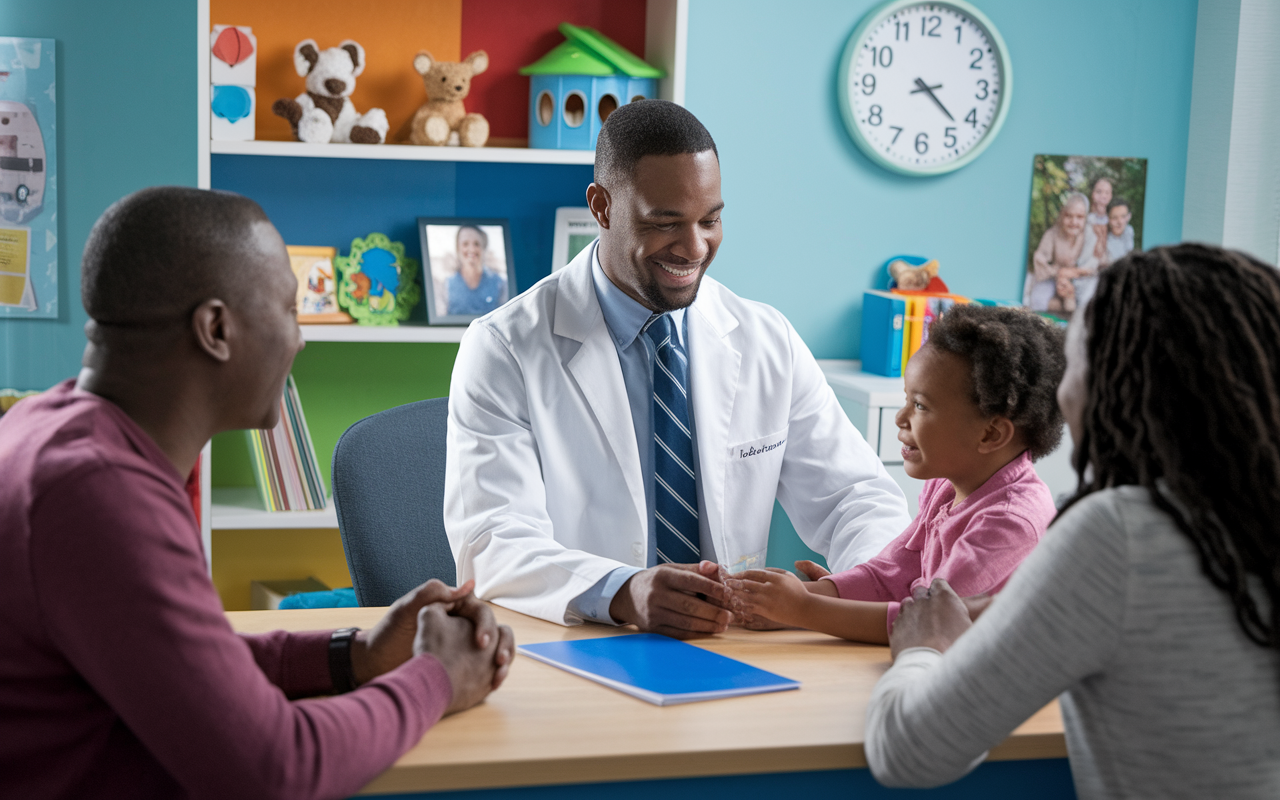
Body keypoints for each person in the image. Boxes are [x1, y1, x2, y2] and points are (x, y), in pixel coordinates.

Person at [0, 187, 515, 799]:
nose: (299, 340)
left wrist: (357, 656)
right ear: (216, 329)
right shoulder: (98, 494)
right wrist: (437, 678)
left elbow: (188, 671)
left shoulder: (48, 426)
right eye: (290, 309)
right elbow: (276, 767)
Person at [444, 100, 910, 635]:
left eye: (710, 220)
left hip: (730, 651)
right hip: (578, 649)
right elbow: (492, 539)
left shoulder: (766, 339)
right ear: (601, 207)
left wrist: (840, 593)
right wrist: (623, 590)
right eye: (664, 223)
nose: (693, 247)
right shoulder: (504, 347)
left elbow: (858, 496)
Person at [864, 244, 1280, 798]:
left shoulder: (1120, 534)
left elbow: (909, 751)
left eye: (1074, 363)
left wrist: (922, 647)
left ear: (1114, 384)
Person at [729, 306, 1064, 643]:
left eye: (920, 405)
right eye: (906, 400)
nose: (901, 418)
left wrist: (804, 610)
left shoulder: (1011, 521)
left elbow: (931, 622)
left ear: (991, 434)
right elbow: (893, 573)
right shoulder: (947, 486)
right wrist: (809, 595)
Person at [1026, 192, 1088, 314]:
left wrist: (1072, 275)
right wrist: (1058, 273)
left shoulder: (1088, 237)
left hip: (1078, 280)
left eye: (1079, 217)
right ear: (1062, 215)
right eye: (1068, 216)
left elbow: (1094, 266)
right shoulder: (1052, 234)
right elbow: (1040, 259)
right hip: (1052, 278)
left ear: (1086, 218)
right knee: (1039, 301)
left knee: (1075, 303)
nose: (1073, 221)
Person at [446, 224, 507, 316]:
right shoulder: (446, 285)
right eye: (465, 244)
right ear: (458, 249)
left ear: (484, 248)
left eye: (476, 244)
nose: (471, 249)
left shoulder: (500, 284)